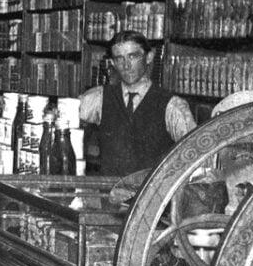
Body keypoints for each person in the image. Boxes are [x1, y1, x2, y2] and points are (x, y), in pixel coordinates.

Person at [78, 29, 196, 177]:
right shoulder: (99, 98)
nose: (126, 65)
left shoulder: (172, 105)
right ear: (113, 63)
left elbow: (195, 154)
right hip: (109, 196)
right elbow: (63, 118)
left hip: (152, 198)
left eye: (133, 56)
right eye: (119, 59)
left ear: (149, 57)